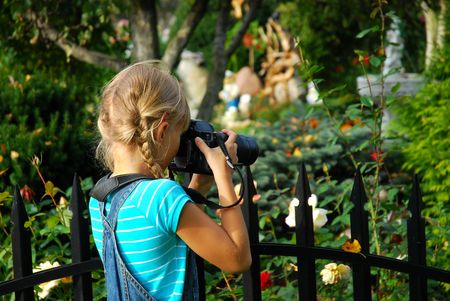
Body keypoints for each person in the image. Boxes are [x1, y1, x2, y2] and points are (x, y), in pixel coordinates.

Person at [88, 61, 252, 301]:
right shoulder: (161, 195)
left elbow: (167, 237)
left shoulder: (100, 199)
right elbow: (238, 259)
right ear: (162, 130)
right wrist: (223, 174)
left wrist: (200, 186)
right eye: (179, 133)